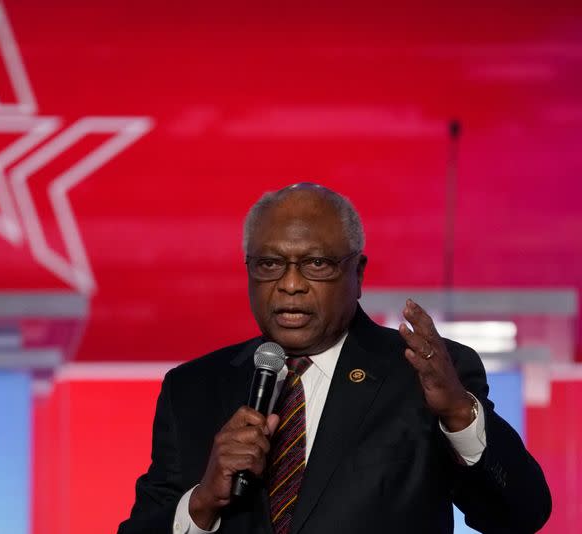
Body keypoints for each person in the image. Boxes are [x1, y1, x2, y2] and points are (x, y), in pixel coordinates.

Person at [118, 183, 551, 534]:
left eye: (317, 264)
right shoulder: (192, 388)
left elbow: (519, 517)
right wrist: (202, 503)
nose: (290, 285)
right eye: (269, 264)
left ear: (358, 273)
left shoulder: (423, 375)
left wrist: (458, 414)